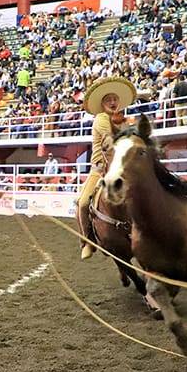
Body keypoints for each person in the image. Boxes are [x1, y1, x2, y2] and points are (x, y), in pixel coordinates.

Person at [77, 76, 134, 260]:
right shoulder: (101, 119)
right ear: (102, 105)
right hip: (101, 170)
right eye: (108, 100)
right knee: (83, 202)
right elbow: (112, 137)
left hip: (124, 168)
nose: (112, 102)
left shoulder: (123, 120)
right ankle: (87, 241)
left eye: (114, 99)